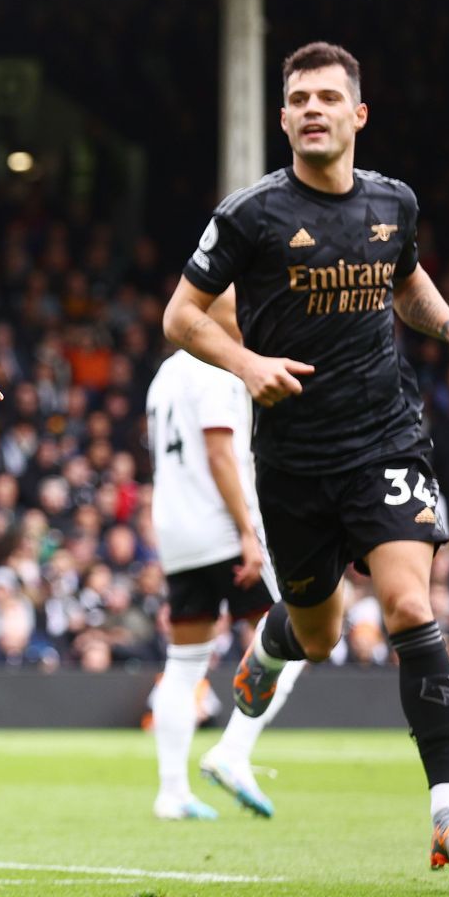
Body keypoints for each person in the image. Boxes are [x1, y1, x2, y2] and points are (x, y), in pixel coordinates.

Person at [163, 40, 449, 870]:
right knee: (318, 635)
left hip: (386, 439)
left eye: (327, 98)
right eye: (299, 99)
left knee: (408, 610)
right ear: (283, 118)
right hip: (294, 462)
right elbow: (181, 317)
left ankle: (448, 815)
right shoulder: (251, 215)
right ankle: (272, 646)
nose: (313, 109)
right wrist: (248, 365)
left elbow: (406, 279)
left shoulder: (393, 203)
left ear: (357, 114)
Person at [145, 287, 302, 822]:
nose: (249, 316)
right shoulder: (213, 368)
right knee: (296, 635)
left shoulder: (165, 374)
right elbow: (219, 452)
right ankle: (233, 750)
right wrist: (248, 532)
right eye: (240, 307)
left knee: (184, 663)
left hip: (176, 531)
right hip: (218, 529)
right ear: (211, 313)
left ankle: (171, 791)